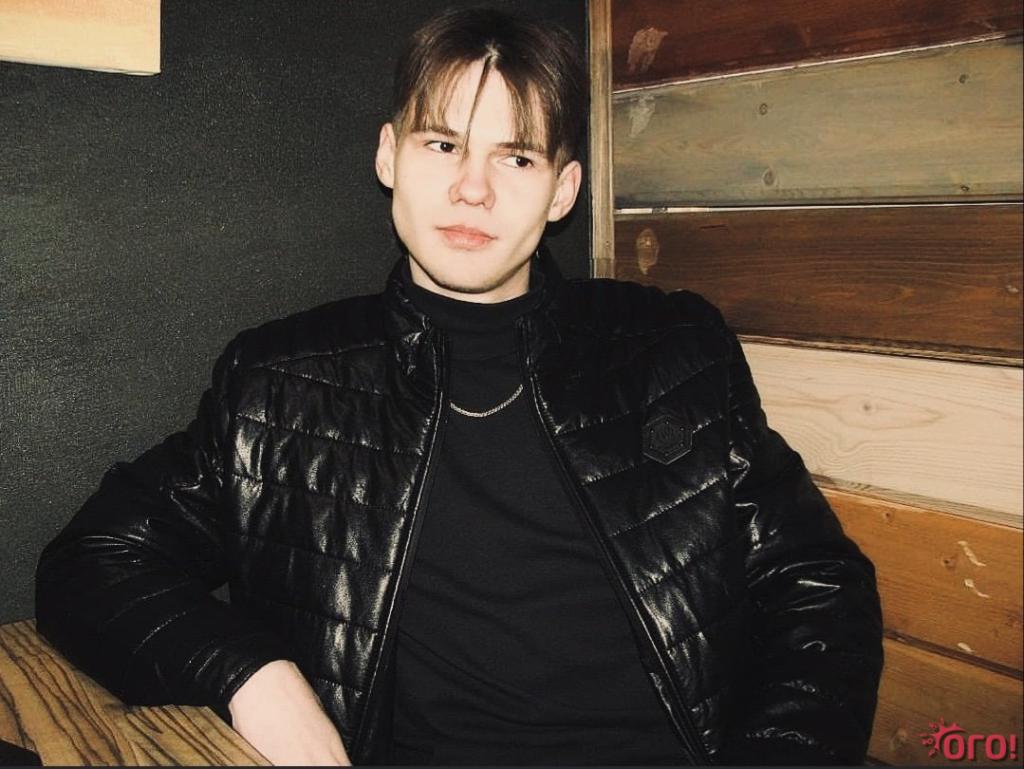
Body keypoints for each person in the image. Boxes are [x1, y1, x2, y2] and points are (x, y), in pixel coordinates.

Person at [35, 6, 883, 766]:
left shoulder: (672, 349)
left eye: (516, 156)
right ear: (388, 155)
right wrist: (254, 678)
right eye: (442, 144)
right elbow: (90, 563)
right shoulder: (281, 384)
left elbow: (817, 585)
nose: (472, 188)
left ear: (563, 191)